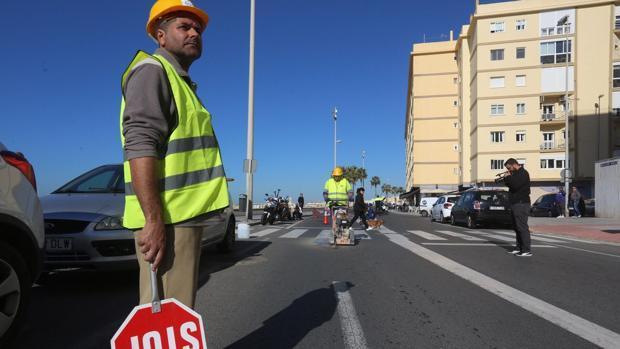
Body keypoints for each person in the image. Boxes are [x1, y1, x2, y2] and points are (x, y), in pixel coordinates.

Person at [120, 0, 229, 309]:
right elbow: (140, 145)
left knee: (173, 313)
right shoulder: (153, 72)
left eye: (197, 28)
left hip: (180, 219)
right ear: (160, 35)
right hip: (168, 221)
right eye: (184, 26)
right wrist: (153, 220)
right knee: (167, 315)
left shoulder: (179, 81)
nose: (194, 32)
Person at [501, 158, 532, 257]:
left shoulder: (523, 173)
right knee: (516, 227)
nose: (509, 170)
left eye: (509, 168)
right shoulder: (515, 174)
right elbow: (511, 184)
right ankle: (519, 247)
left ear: (514, 164)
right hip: (515, 203)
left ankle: (526, 250)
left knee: (522, 227)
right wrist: (506, 178)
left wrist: (508, 177)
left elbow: (515, 185)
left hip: (521, 203)